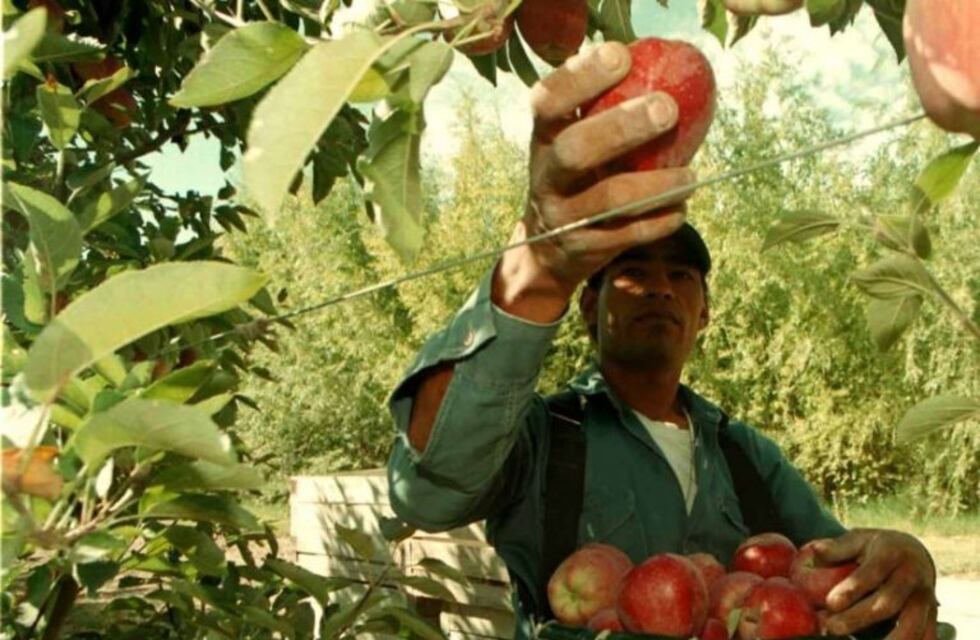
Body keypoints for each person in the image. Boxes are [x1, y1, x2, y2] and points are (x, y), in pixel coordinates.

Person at [386, 42, 938, 640]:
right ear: (589, 308)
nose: (659, 288)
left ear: (704, 315)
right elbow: (427, 495)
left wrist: (904, 559)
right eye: (632, 272)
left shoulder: (746, 455)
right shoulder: (545, 437)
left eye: (681, 275)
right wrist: (537, 272)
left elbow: (836, 572)